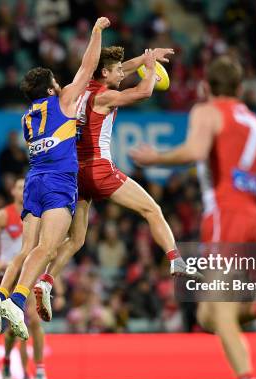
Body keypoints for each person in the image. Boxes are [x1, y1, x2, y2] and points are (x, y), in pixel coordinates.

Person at [130, 55, 256, 379]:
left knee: (219, 308)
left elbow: (196, 150)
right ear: (241, 88)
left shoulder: (207, 111)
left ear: (207, 87)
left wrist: (157, 158)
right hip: (253, 219)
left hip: (224, 217)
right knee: (206, 315)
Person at [33, 45, 190, 322]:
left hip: (73, 173)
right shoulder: (104, 96)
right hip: (99, 169)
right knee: (151, 209)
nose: (122, 72)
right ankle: (175, 259)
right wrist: (151, 70)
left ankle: (46, 281)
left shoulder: (77, 90)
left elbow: (118, 70)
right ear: (105, 73)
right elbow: (143, 92)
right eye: (117, 70)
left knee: (76, 239)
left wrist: (144, 58)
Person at [0, 17, 110, 341]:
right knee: (48, 248)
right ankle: (17, 299)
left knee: (26, 248)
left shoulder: (28, 116)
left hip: (34, 182)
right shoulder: (64, 100)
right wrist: (95, 31)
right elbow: (88, 65)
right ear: (52, 86)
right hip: (58, 183)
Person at [0, 179, 47, 379]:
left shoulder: (38, 213)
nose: (23, 190)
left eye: (26, 186)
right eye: (19, 187)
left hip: (30, 271)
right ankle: (9, 361)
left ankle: (39, 370)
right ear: (12, 192)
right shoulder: (4, 214)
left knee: (33, 320)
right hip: (10, 273)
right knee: (12, 328)